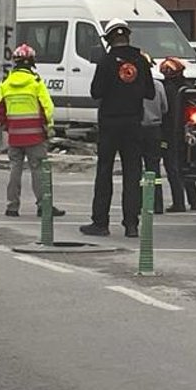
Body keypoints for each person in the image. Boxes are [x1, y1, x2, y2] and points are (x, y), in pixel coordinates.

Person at [81, 19, 154, 238]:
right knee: (133, 174)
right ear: (127, 37)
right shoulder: (141, 61)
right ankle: (131, 224)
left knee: (104, 172)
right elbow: (150, 92)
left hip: (110, 124)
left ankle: (100, 223)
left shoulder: (106, 61)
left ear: (110, 39)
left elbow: (96, 92)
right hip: (133, 123)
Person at [0, 44, 66, 219]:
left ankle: (12, 207)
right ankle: (43, 206)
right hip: (35, 136)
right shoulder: (36, 83)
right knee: (38, 169)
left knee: (14, 170)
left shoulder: (6, 84)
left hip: (15, 137)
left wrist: (7, 126)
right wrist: (48, 127)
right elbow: (48, 108)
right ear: (32, 62)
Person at [159, 58, 196, 212]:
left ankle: (179, 202)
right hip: (188, 131)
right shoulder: (189, 88)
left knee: (172, 167)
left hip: (170, 133)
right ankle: (194, 201)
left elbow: (164, 111)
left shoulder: (166, 89)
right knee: (185, 165)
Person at [140, 70, 168, 214]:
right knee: (154, 168)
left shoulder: (134, 85)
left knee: (135, 168)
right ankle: (157, 204)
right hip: (155, 129)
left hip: (138, 129)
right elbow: (165, 108)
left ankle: (138, 203)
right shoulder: (158, 86)